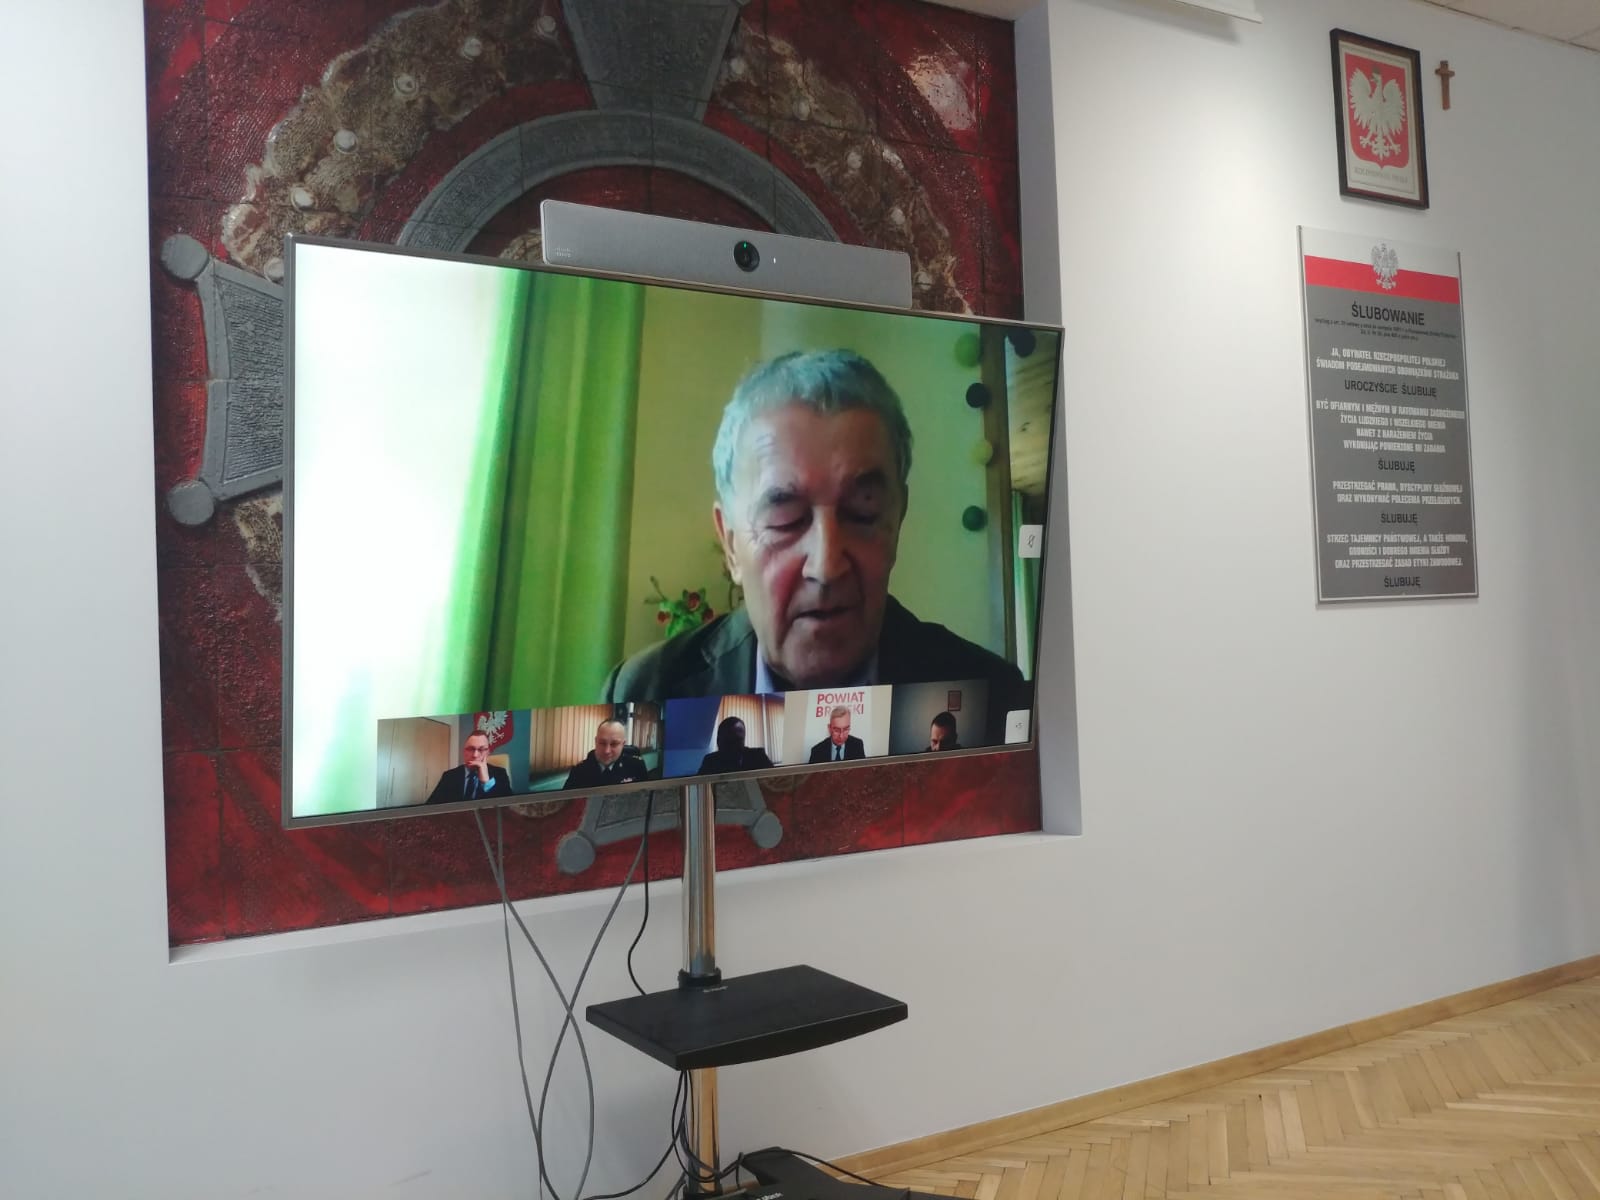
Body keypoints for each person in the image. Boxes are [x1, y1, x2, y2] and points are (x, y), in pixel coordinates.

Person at [601, 350, 1026, 715]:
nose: (826, 566)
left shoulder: (993, 698)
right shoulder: (645, 695)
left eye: (863, 510)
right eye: (785, 519)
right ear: (730, 543)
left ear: (897, 521)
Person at [425, 730, 512, 805]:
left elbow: (507, 806)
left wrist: (486, 782)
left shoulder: (500, 774)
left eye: (481, 749)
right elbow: (430, 806)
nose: (475, 755)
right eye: (471, 749)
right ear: (464, 752)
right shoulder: (449, 776)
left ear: (488, 753)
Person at [563, 719, 650, 789]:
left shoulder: (636, 766)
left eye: (614, 744)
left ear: (623, 744)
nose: (607, 751)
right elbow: (566, 802)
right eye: (602, 743)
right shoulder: (579, 771)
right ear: (596, 741)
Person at [696, 715, 775, 775]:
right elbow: (699, 784)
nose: (733, 746)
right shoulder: (710, 761)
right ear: (718, 740)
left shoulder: (758, 756)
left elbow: (775, 780)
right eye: (728, 741)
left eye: (737, 740)